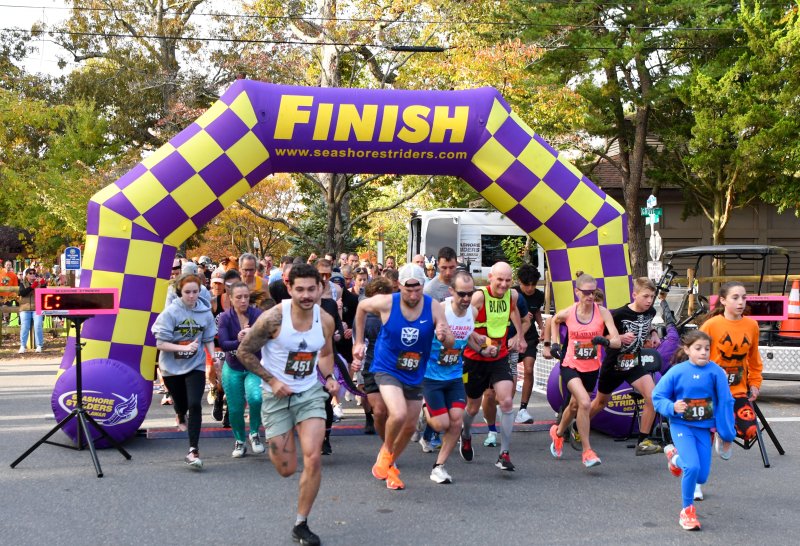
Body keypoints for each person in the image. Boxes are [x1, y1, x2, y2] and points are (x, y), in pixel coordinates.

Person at [237, 264, 339, 546]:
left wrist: (329, 377)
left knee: (313, 456)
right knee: (286, 468)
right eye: (300, 289)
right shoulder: (274, 318)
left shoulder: (326, 320)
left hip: (309, 393)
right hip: (276, 396)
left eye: (311, 289)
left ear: (320, 288)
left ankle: (301, 523)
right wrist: (272, 380)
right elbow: (244, 352)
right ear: (290, 288)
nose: (306, 295)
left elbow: (326, 353)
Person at [353, 264, 454, 490]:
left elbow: (448, 342)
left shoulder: (433, 307)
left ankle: (390, 468)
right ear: (400, 286)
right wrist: (359, 342)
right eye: (408, 290)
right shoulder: (388, 302)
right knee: (397, 413)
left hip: (415, 371)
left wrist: (443, 334)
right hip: (386, 367)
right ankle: (386, 454)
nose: (413, 295)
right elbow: (361, 308)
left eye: (418, 289)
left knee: (410, 427)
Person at [653, 330, 735, 531]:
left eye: (707, 349)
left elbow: (726, 402)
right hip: (681, 425)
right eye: (698, 348)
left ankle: (674, 458)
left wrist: (727, 434)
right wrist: (672, 407)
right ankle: (687, 510)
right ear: (687, 349)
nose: (704, 352)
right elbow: (658, 397)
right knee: (692, 467)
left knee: (701, 476)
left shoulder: (716, 372)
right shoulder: (676, 372)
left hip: (704, 428)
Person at [459, 262, 526, 472]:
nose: (504, 284)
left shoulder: (512, 296)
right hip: (475, 359)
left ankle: (504, 453)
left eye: (508, 280)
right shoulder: (479, 297)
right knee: (472, 407)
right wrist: (479, 345)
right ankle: (466, 434)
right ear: (490, 278)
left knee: (506, 402)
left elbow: (515, 312)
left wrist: (519, 335)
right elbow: (463, 323)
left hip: (499, 357)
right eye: (500, 280)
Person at [549, 274, 620, 468]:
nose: (590, 296)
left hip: (591, 367)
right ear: (577, 292)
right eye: (586, 292)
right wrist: (554, 344)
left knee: (573, 407)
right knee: (585, 402)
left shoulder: (602, 312)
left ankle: (558, 432)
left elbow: (617, 340)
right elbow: (554, 320)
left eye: (593, 292)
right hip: (570, 365)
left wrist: (605, 341)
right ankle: (587, 451)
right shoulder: (570, 312)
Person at [699, 281, 761, 498]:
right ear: (723, 300)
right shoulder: (712, 325)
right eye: (735, 297)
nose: (741, 302)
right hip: (709, 390)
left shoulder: (752, 326)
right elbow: (698, 355)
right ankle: (697, 482)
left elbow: (754, 359)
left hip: (737, 389)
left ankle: (724, 434)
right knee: (701, 439)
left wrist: (755, 383)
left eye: (744, 297)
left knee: (750, 430)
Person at [151, 273, 219, 469]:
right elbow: (160, 343)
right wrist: (183, 348)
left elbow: (207, 338)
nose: (191, 296)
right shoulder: (170, 313)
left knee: (195, 404)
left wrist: (213, 358)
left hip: (195, 364)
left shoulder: (205, 312)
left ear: (200, 292)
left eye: (195, 292)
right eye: (187, 292)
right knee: (181, 403)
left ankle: (193, 450)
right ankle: (180, 413)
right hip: (171, 367)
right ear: (180, 292)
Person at [589, 277, 663, 455]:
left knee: (652, 397)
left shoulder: (650, 312)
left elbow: (647, 323)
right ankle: (577, 424)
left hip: (633, 363)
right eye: (645, 296)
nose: (649, 301)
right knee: (600, 402)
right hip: (614, 364)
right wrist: (619, 338)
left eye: (652, 297)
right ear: (634, 295)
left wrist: (653, 333)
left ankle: (643, 441)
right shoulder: (619, 314)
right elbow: (600, 338)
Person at [421, 270, 476, 484]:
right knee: (440, 424)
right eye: (462, 294)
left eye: (470, 293)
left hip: (454, 375)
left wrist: (481, 348)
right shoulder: (440, 310)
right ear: (451, 291)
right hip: (431, 375)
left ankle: (439, 466)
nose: (466, 298)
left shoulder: (472, 311)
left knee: (456, 422)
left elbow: (467, 337)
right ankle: (424, 410)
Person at [217, 281, 265, 457]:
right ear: (231, 299)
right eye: (239, 297)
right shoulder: (225, 317)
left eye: (246, 296)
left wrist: (255, 335)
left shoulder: (258, 315)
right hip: (233, 366)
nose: (243, 300)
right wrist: (238, 339)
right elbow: (223, 344)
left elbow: (268, 339)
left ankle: (254, 433)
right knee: (235, 408)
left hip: (253, 366)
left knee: (256, 398)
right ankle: (239, 440)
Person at [354, 276, 394, 438]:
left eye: (385, 294)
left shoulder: (397, 312)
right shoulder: (364, 312)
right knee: (379, 411)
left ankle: (390, 448)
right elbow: (357, 340)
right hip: (371, 362)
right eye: (377, 295)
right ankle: (386, 446)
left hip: (393, 365)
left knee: (393, 412)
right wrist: (357, 358)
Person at [17, 268, 46, 353]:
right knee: (24, 327)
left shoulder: (39, 283)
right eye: (30, 273)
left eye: (34, 273)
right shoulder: (22, 283)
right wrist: (32, 287)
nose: (33, 274)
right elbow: (22, 293)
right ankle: (22, 346)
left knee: (38, 326)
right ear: (26, 275)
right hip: (25, 308)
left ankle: (39, 345)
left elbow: (45, 293)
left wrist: (43, 284)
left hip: (37, 308)